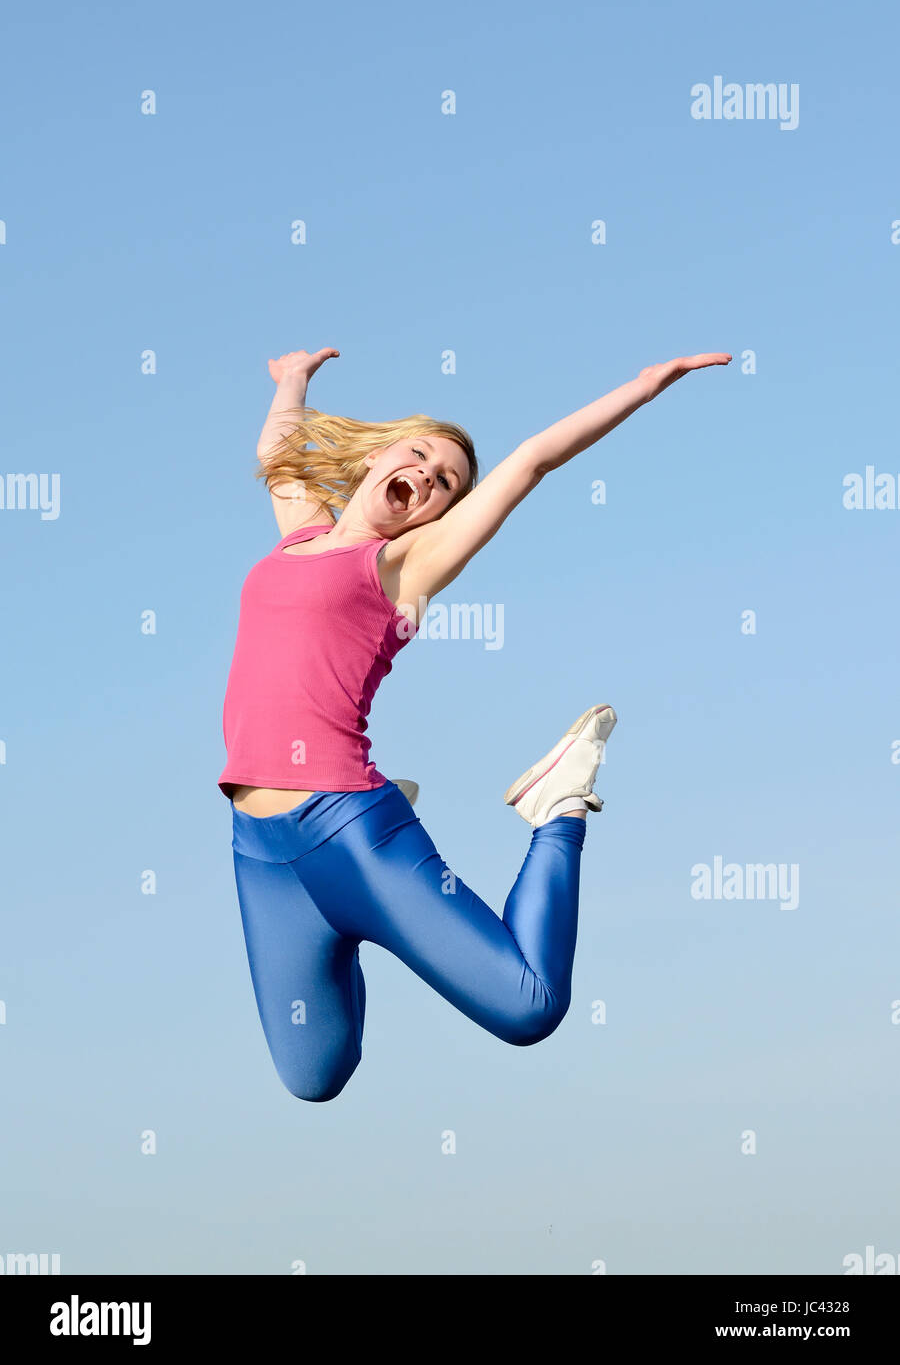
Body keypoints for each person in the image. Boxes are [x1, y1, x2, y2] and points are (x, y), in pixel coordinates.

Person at [219, 344, 730, 1101]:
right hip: (261, 854)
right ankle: (367, 917)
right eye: (421, 455)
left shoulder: (401, 568)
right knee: (316, 1076)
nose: (427, 474)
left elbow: (530, 461)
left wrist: (645, 387)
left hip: (348, 829)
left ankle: (555, 808)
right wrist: (291, 380)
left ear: (437, 515)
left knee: (529, 1005)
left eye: (446, 483)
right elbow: (280, 448)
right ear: (378, 456)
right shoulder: (299, 534)